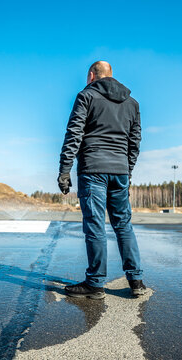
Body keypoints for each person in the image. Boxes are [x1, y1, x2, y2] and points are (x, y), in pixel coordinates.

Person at [58, 61, 145, 299]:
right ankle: (136, 280)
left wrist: (64, 170)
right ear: (112, 76)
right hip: (120, 172)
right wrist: (127, 171)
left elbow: (74, 133)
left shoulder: (87, 95)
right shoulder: (132, 103)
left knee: (95, 225)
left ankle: (95, 284)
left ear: (91, 75)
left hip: (93, 169)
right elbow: (134, 142)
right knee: (123, 225)